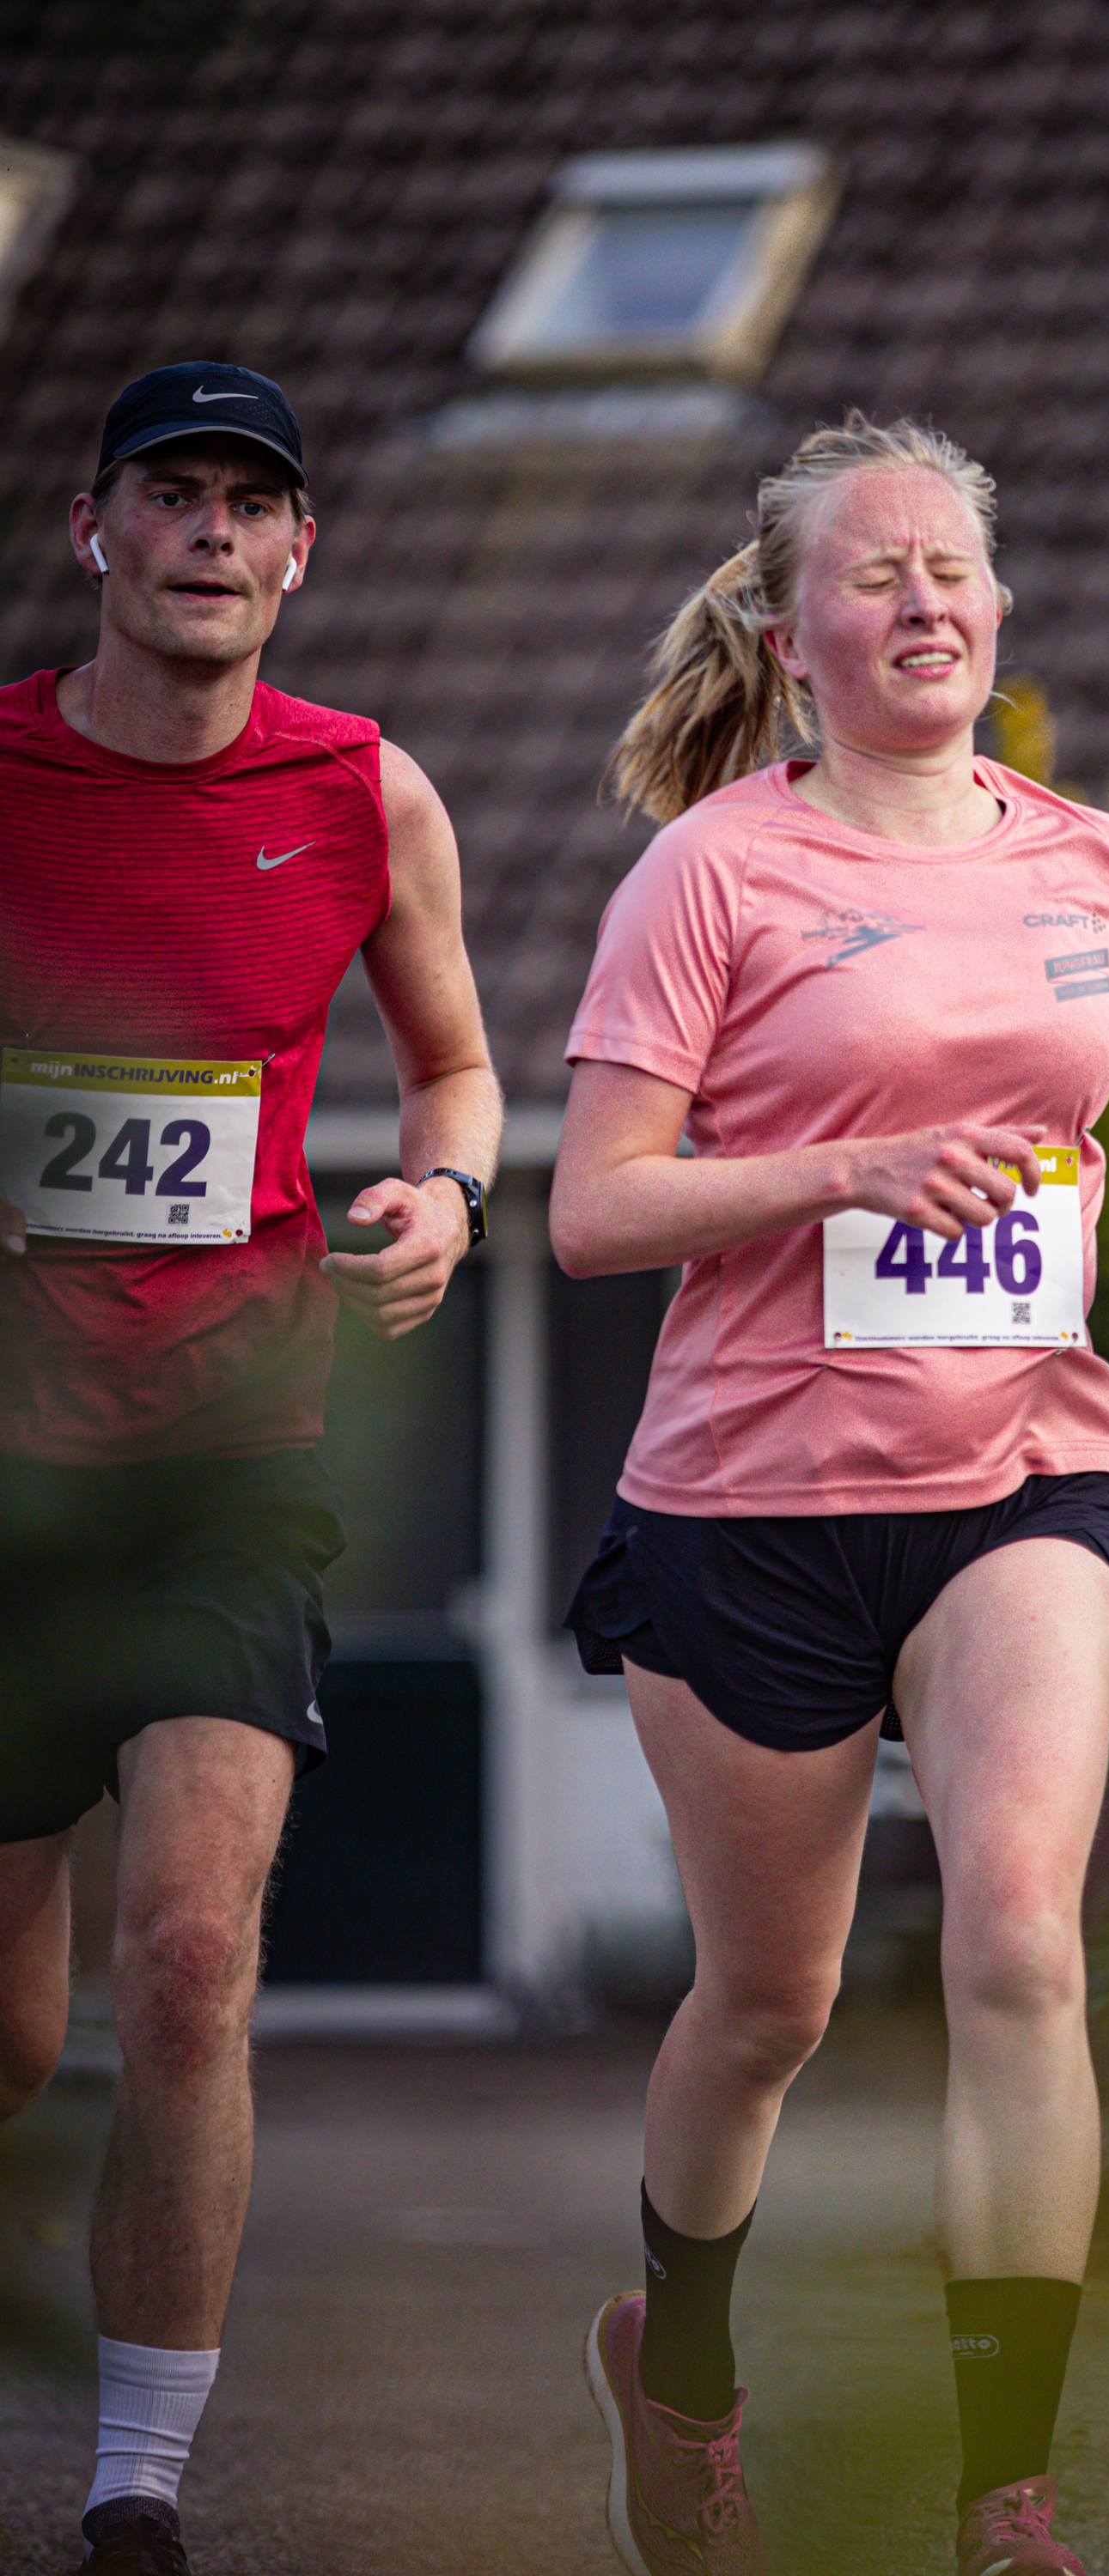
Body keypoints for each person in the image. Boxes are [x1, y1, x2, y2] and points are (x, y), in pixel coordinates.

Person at [551, 414, 1109, 2576]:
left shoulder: (1097, 863)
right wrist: (848, 1168)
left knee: (1025, 1948)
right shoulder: (715, 874)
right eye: (874, 576)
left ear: (1000, 611)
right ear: (791, 635)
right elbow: (591, 1214)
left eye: (952, 569)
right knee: (769, 2005)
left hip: (1020, 1474)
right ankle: (679, 2370)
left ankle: (1004, 2494)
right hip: (748, 1509)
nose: (923, 603)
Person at [0, 361, 502, 2576]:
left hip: (231, 1450)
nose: (212, 533)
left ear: (302, 555)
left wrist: (452, 1197)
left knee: (192, 1959)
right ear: (91, 532)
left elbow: (462, 1065)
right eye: (171, 496)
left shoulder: (366, 793)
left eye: (252, 504)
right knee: (11, 2031)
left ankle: (133, 2493)